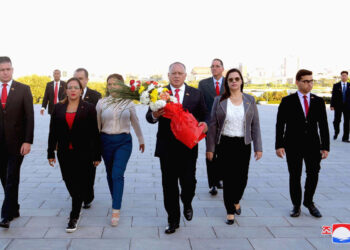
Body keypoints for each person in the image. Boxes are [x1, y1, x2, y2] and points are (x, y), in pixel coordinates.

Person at [146, 62, 208, 234]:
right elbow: (148, 117)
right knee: (169, 185)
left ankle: (187, 202)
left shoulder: (196, 94)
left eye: (180, 73)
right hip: (166, 147)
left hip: (188, 147)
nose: (176, 76)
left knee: (189, 182)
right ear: (168, 75)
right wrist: (155, 115)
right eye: (173, 73)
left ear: (185, 76)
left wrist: (206, 125)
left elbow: (205, 115)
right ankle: (173, 220)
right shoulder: (158, 93)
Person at [206, 68, 262, 225]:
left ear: (241, 81)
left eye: (237, 79)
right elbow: (213, 126)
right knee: (229, 179)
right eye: (230, 79)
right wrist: (210, 148)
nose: (234, 81)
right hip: (225, 144)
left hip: (244, 144)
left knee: (242, 178)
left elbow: (255, 124)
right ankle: (230, 211)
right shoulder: (219, 100)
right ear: (227, 83)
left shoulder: (250, 100)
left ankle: (236, 200)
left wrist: (258, 147)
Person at [47, 77, 101, 233]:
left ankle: (74, 215)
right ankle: (80, 198)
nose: (72, 90)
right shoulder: (58, 108)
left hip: (84, 152)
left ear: (81, 90)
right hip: (64, 152)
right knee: (69, 180)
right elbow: (53, 132)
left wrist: (97, 155)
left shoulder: (89, 108)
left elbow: (94, 133)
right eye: (69, 87)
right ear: (65, 90)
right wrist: (50, 152)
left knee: (80, 182)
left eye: (75, 87)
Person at [275, 69, 330, 218]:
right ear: (297, 82)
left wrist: (325, 147)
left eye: (311, 81)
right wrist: (279, 145)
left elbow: (323, 126)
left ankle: (309, 201)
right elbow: (280, 124)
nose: (309, 84)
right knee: (295, 175)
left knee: (313, 174)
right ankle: (296, 205)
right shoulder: (287, 101)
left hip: (313, 145)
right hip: (293, 144)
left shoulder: (318, 101)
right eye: (306, 81)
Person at [96, 74, 145, 226]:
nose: (112, 87)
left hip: (123, 142)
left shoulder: (128, 103)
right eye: (109, 84)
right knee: (110, 174)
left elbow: (135, 122)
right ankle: (115, 197)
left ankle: (116, 208)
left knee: (117, 174)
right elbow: (97, 126)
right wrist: (95, 147)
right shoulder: (101, 103)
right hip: (105, 141)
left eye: (115, 84)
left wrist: (141, 139)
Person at [0, 56, 34, 228]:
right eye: (2, 70)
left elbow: (29, 117)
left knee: (12, 176)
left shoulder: (23, 89)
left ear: (12, 70)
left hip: (17, 143)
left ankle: (5, 215)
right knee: (4, 177)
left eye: (8, 69)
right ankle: (14, 207)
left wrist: (28, 141)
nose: (5, 72)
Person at [73, 68, 101, 209]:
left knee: (89, 172)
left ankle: (88, 196)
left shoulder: (95, 96)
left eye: (81, 78)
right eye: (76, 78)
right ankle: (77, 194)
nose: (78, 81)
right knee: (73, 172)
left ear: (87, 80)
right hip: (72, 141)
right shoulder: (67, 94)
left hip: (90, 141)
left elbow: (99, 120)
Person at [198, 59, 225, 196]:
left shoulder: (230, 82)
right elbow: (200, 104)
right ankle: (212, 184)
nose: (214, 68)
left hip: (226, 125)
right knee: (211, 153)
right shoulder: (203, 84)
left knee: (223, 153)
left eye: (217, 66)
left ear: (222, 68)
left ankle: (220, 177)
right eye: (212, 66)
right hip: (209, 124)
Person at [330, 71, 350, 142]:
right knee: (336, 121)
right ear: (341, 76)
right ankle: (336, 132)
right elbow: (333, 96)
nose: (344, 77)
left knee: (347, 122)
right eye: (343, 75)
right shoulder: (336, 85)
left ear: (347, 77)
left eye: (345, 75)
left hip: (347, 107)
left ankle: (345, 138)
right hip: (338, 106)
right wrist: (332, 105)